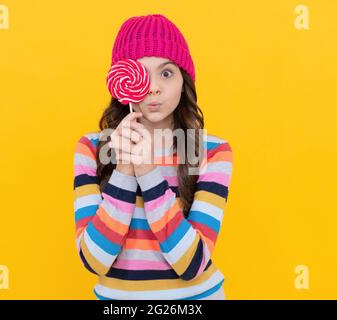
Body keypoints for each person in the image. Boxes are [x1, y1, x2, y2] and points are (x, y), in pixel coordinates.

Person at [73, 14, 233, 300]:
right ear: (122, 81)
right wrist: (124, 166)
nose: (153, 87)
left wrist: (147, 170)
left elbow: (192, 263)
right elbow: (94, 259)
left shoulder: (212, 151)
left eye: (166, 73)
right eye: (141, 73)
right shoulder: (92, 148)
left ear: (184, 80)